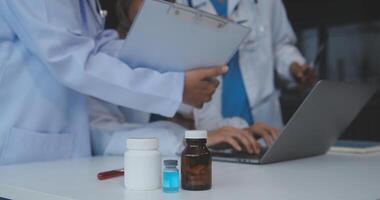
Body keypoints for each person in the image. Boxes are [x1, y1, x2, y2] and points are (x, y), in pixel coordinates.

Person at [0, 0, 226, 165]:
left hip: (58, 152)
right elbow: (72, 60)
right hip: (23, 149)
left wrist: (178, 65)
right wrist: (175, 88)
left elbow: (98, 48)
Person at [91, 0, 267, 156]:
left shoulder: (192, 62)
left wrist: (243, 131)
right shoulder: (104, 65)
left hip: (189, 165)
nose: (154, 24)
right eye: (144, 18)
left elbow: (209, 126)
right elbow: (104, 138)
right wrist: (182, 141)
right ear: (126, 16)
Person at [177, 0, 316, 141]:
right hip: (207, 128)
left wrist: (293, 66)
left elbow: (280, 45)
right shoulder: (180, 3)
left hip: (264, 126)